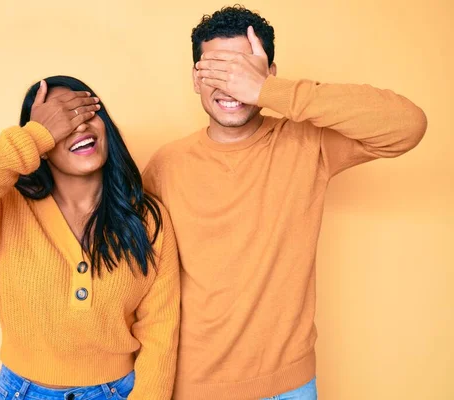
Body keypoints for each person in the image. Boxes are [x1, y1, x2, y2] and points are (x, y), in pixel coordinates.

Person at [143, 6, 427, 400]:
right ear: (195, 77)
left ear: (267, 72)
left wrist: (267, 93)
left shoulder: (306, 144)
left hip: (289, 387)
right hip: (192, 385)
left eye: (242, 69)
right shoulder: (165, 165)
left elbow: (406, 125)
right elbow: (142, 281)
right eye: (216, 70)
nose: (230, 84)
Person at [0, 76, 180, 400]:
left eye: (84, 112)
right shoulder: (4, 211)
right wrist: (33, 136)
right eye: (59, 121)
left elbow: (160, 331)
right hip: (20, 391)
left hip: (116, 392)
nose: (78, 126)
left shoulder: (148, 219)